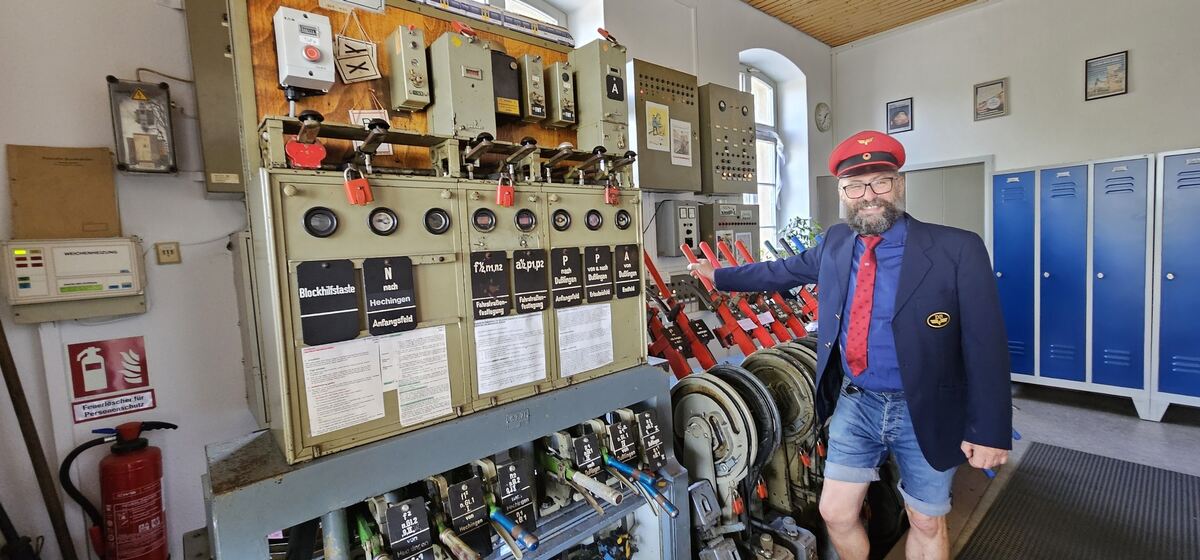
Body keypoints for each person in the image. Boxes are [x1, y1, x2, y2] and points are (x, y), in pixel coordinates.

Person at [688, 130, 1012, 560]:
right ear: (842, 193)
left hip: (926, 406)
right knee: (836, 513)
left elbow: (986, 343)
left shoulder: (957, 248)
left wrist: (989, 430)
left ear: (899, 184)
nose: (868, 195)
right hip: (857, 401)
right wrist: (718, 276)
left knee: (925, 520)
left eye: (880, 182)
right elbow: (780, 271)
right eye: (855, 186)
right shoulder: (836, 242)